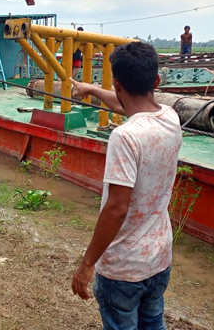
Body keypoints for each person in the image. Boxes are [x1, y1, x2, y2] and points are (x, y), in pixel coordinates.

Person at [69, 42, 182, 330]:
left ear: (117, 83)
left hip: (124, 266)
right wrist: (91, 89)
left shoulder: (125, 136)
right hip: (158, 257)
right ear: (156, 81)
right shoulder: (171, 117)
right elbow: (127, 105)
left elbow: (117, 208)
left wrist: (87, 264)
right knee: (153, 321)